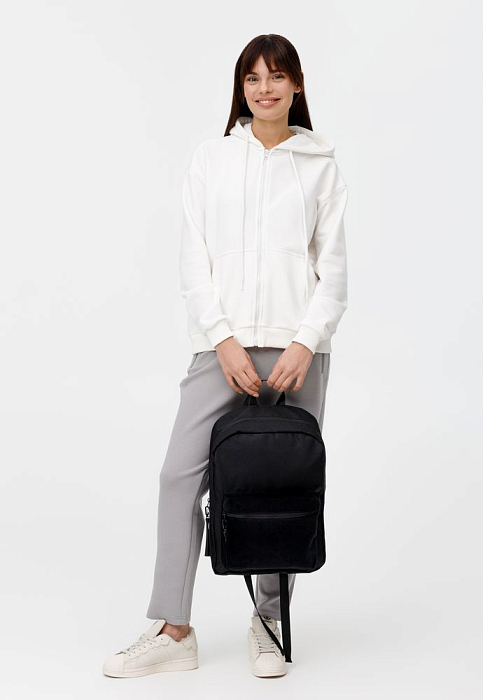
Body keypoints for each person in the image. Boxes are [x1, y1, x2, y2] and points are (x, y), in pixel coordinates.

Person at [102, 33, 348, 680]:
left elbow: (334, 270)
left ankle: (269, 621)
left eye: (276, 76)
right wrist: (222, 337)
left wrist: (305, 340)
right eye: (252, 78)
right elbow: (195, 260)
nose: (264, 88)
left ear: (297, 84)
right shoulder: (211, 159)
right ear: (241, 88)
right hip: (223, 349)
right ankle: (173, 629)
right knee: (178, 477)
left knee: (279, 484)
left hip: (298, 355)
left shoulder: (320, 165)